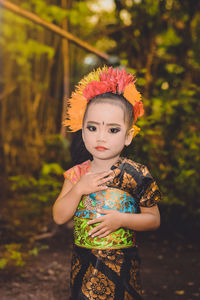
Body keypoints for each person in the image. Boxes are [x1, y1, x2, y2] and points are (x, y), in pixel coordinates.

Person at [53, 66, 161, 300]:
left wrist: (120, 220)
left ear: (128, 135)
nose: (101, 137)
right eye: (92, 127)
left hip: (123, 267)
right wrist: (79, 189)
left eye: (113, 129)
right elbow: (59, 216)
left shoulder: (137, 174)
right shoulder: (76, 174)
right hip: (83, 265)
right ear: (82, 132)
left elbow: (153, 219)